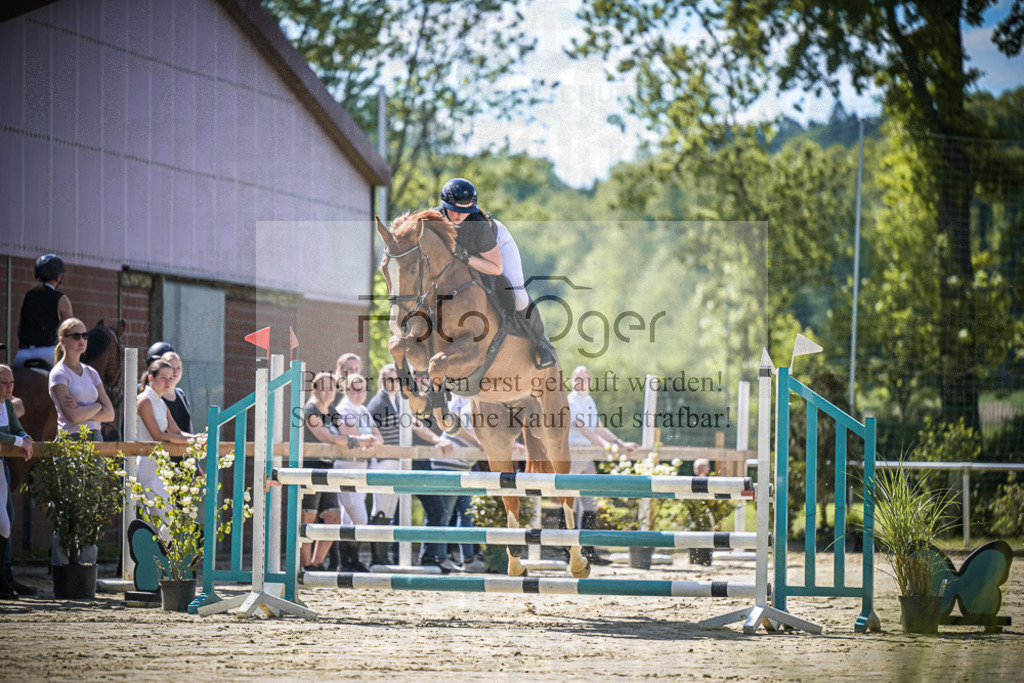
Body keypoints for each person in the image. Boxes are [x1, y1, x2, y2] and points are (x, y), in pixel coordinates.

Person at [436, 178, 556, 369]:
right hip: (466, 256)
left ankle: (540, 342)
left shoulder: (479, 225)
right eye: (455, 210)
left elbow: (496, 268)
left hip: (496, 249)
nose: (459, 216)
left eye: (465, 211)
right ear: (444, 206)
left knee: (518, 296)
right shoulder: (435, 220)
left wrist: (465, 257)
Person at [567, 364, 638, 565]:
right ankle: (568, 552)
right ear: (572, 381)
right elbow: (582, 428)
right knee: (569, 504)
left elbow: (598, 427)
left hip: (587, 455)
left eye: (585, 378)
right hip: (573, 454)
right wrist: (606, 445)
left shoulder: (588, 400)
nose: (581, 382)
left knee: (589, 503)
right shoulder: (569, 400)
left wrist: (620, 443)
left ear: (590, 382)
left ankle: (589, 551)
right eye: (577, 378)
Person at [301, 372, 353, 571]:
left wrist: (349, 440)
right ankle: (306, 565)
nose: (329, 391)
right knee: (308, 518)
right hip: (310, 468)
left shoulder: (331, 409)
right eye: (324, 387)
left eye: (332, 388)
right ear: (314, 390)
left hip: (328, 468)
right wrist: (347, 441)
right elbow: (326, 437)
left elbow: (344, 434)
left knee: (333, 518)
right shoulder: (309, 410)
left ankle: (317, 563)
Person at [334, 373, 383, 572]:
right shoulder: (342, 409)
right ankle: (346, 560)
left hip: (361, 466)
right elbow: (353, 434)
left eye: (363, 389)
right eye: (355, 389)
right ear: (346, 390)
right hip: (346, 466)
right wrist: (370, 439)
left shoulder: (363, 410)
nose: (360, 393)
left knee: (349, 516)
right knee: (360, 518)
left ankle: (349, 562)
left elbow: (378, 436)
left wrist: (371, 439)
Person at [48, 318, 115, 441]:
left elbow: (110, 414)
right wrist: (98, 406)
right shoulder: (59, 373)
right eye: (76, 336)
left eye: (85, 335)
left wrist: (81, 411)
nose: (82, 340)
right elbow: (73, 416)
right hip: (72, 438)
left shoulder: (91, 372)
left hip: (96, 437)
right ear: (63, 341)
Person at [1, 364, 35, 599]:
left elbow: (18, 429)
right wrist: (17, 441)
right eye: (4, 383)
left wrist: (26, 438)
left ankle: (3, 579)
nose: (9, 388)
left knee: (5, 524)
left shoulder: (6, 405)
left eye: (11, 382)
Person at [366, 363, 403, 566]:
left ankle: (384, 557)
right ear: (382, 381)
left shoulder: (397, 400)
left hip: (396, 461)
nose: (394, 383)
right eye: (390, 379)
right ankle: (377, 558)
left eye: (397, 379)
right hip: (382, 461)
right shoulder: (377, 402)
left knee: (388, 512)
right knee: (380, 510)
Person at [13, 254, 74, 369]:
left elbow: (19, 330)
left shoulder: (28, 296)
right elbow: (70, 332)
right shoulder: (61, 298)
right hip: (48, 354)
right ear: (58, 276)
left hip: (22, 355)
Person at [159, 351, 192, 433]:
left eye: (178, 368)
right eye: (171, 368)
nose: (175, 372)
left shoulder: (181, 394)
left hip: (185, 443)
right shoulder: (156, 395)